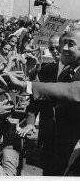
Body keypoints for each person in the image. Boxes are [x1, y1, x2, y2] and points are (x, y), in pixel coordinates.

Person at [4, 29, 80, 175]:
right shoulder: (65, 71)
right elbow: (44, 97)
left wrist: (25, 85)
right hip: (53, 140)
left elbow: (72, 91)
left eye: (70, 44)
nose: (62, 49)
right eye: (62, 44)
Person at [17, 34, 62, 175]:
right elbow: (35, 100)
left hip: (70, 137)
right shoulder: (46, 70)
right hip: (47, 132)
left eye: (58, 47)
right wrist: (30, 122)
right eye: (51, 48)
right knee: (48, 171)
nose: (55, 51)